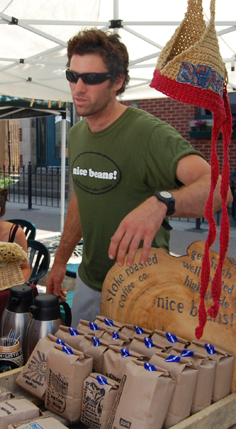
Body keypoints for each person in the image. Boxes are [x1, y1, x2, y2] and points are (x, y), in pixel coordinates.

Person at [45, 29, 231, 327]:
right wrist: (59, 261)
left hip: (140, 290)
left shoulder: (149, 134)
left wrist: (162, 203)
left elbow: (221, 190)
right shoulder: (77, 135)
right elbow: (82, 198)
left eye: (92, 78)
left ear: (117, 81)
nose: (78, 87)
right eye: (72, 75)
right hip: (88, 283)